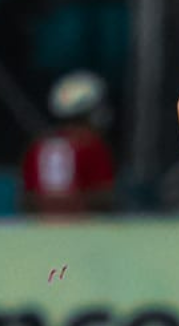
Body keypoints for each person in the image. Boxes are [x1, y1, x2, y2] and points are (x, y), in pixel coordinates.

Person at [19, 69, 116, 216]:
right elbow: (104, 197)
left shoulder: (38, 146)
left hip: (40, 228)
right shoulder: (91, 145)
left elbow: (26, 199)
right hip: (83, 228)